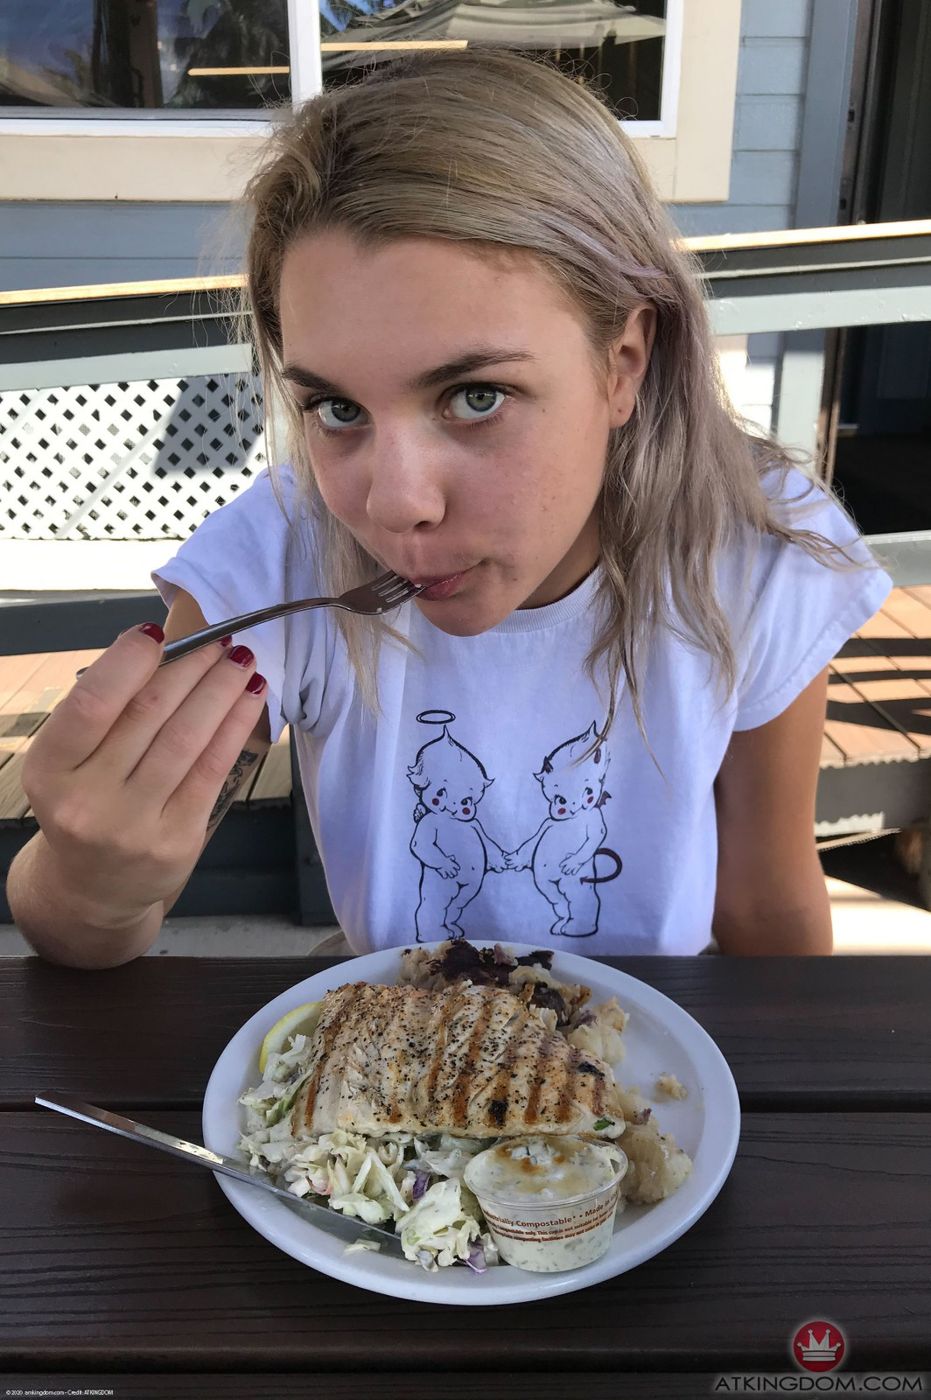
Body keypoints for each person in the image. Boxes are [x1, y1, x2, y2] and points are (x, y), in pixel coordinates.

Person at [8, 48, 892, 969]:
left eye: (476, 396)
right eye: (336, 409)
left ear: (622, 363)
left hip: (649, 1050)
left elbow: (766, 902)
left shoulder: (753, 549)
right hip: (393, 1045)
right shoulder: (282, 556)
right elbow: (77, 923)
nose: (395, 505)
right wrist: (90, 883)